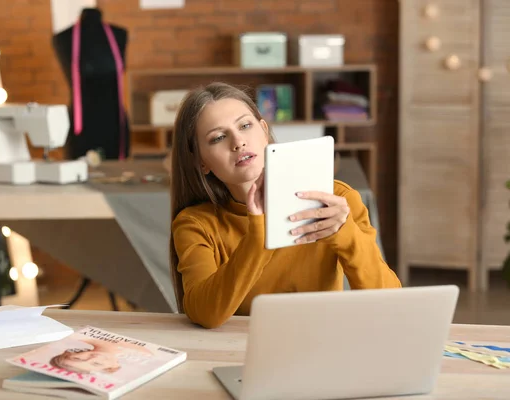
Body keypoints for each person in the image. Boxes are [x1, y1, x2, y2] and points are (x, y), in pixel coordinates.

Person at [169, 82, 401, 329]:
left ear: (265, 132)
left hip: (322, 344)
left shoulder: (336, 200)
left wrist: (345, 233)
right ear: (200, 162)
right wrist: (259, 235)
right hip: (241, 352)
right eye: (218, 137)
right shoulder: (195, 224)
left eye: (245, 126)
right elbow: (204, 313)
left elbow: (390, 302)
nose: (238, 142)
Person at [50, 335, 153, 375]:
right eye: (96, 364)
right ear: (114, 367)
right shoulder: (147, 355)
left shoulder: (77, 336)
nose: (93, 358)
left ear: (70, 352)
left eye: (78, 359)